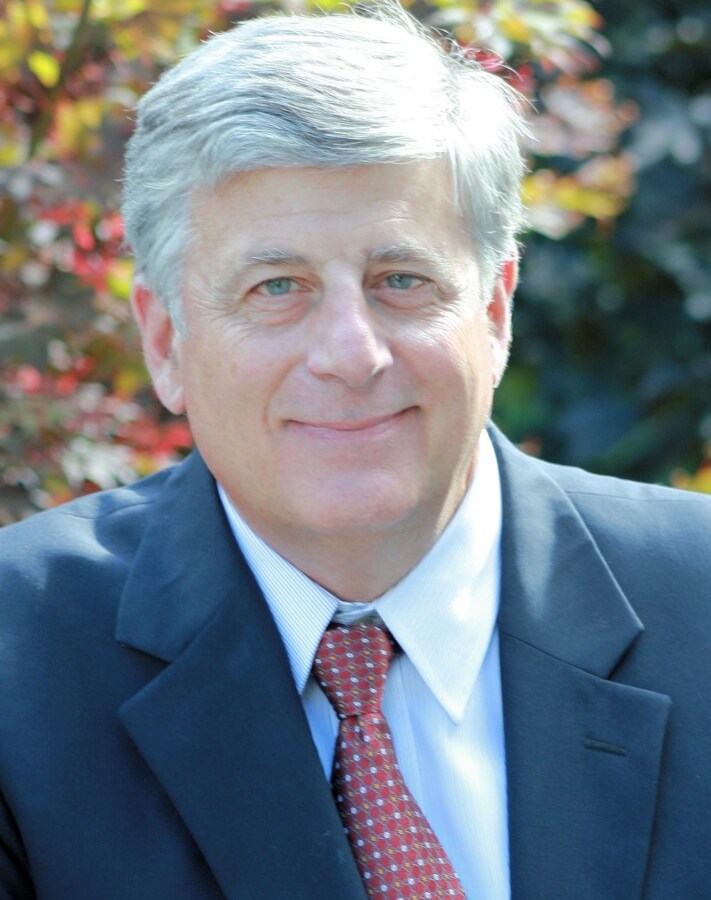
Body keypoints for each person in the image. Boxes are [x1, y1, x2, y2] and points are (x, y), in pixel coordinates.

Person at [0, 4, 709, 898]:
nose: (351, 353)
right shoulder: (17, 665)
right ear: (166, 342)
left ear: (494, 311)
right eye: (276, 287)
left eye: (400, 280)